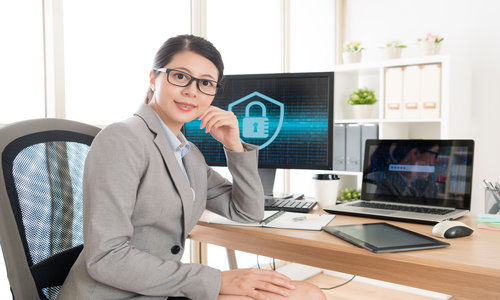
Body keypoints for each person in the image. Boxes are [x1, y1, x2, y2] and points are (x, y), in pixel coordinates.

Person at [57, 35, 325, 300]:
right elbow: (106, 257)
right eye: (180, 77)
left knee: (307, 293)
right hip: (111, 294)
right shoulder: (123, 138)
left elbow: (248, 212)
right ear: (154, 78)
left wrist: (234, 145)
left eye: (206, 83)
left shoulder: (188, 154)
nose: (192, 91)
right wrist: (218, 280)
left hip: (159, 289)